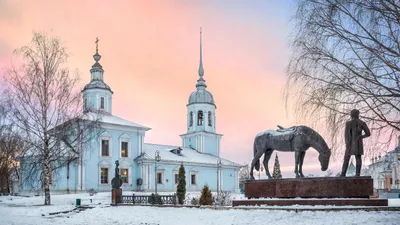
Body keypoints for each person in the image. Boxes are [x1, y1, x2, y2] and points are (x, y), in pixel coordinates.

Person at [340, 109, 370, 177]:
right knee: (358, 158)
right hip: (358, 143)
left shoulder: (349, 123)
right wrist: (361, 137)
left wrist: (347, 144)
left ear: (351, 115)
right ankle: (357, 174)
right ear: (358, 114)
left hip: (350, 143)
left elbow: (346, 135)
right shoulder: (362, 123)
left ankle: (343, 174)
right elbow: (368, 134)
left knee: (346, 159)